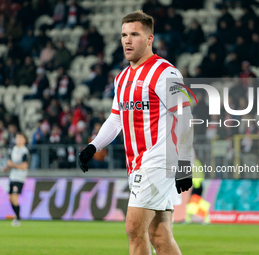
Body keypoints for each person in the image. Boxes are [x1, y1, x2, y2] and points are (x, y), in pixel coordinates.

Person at [78, 10, 193, 255]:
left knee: (133, 227)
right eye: (124, 35)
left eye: (135, 34)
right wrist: (93, 146)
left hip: (160, 160)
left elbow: (185, 119)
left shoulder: (166, 73)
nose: (127, 40)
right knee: (160, 236)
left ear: (150, 39)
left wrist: (185, 163)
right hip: (138, 163)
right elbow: (116, 118)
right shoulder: (121, 78)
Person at [2, 133, 30, 226]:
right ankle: (17, 215)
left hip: (19, 178)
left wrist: (12, 165)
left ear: (24, 140)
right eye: (16, 137)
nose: (17, 139)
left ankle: (17, 218)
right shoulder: (14, 149)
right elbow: (12, 164)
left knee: (14, 197)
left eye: (20, 138)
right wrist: (6, 168)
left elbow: (24, 166)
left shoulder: (24, 151)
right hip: (12, 176)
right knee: (10, 198)